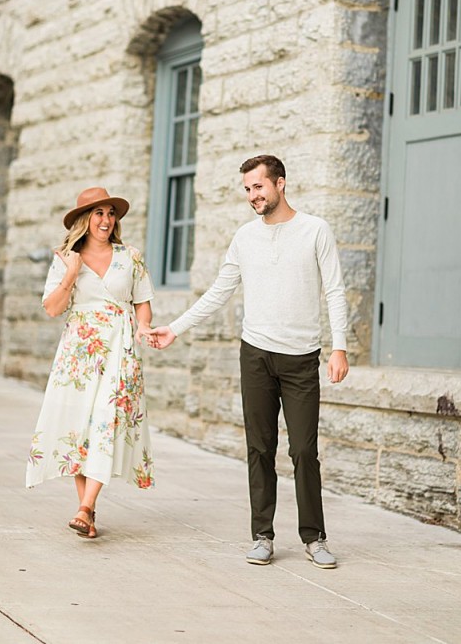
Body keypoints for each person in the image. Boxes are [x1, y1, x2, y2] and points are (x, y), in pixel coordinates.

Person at [147, 155, 349, 569]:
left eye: (259, 187)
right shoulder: (244, 237)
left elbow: (335, 291)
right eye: (247, 189)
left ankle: (314, 538)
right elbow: (219, 292)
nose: (253, 196)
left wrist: (340, 347)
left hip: (301, 358)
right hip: (255, 354)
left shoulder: (315, 230)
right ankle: (263, 535)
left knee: (304, 451)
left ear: (280, 184)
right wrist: (176, 328)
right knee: (259, 448)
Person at [27, 187, 156, 539]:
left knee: (106, 423)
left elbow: (142, 300)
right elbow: (53, 308)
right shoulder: (66, 257)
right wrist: (71, 271)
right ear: (85, 219)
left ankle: (85, 507)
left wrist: (143, 326)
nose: (106, 220)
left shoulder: (129, 256)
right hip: (79, 353)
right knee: (78, 428)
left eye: (110, 213)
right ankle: (88, 510)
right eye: (99, 213)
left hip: (119, 347)